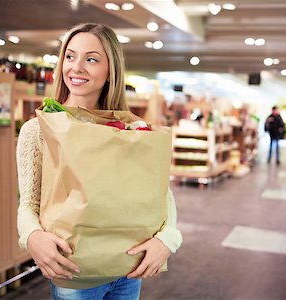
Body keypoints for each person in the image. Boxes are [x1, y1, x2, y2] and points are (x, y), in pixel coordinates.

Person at [16, 23, 182, 300]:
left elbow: (160, 194)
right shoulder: (38, 130)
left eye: (91, 59)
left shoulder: (130, 130)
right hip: (75, 273)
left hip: (128, 270)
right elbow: (28, 203)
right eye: (70, 56)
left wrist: (169, 239)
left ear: (110, 71)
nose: (76, 67)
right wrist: (33, 236)